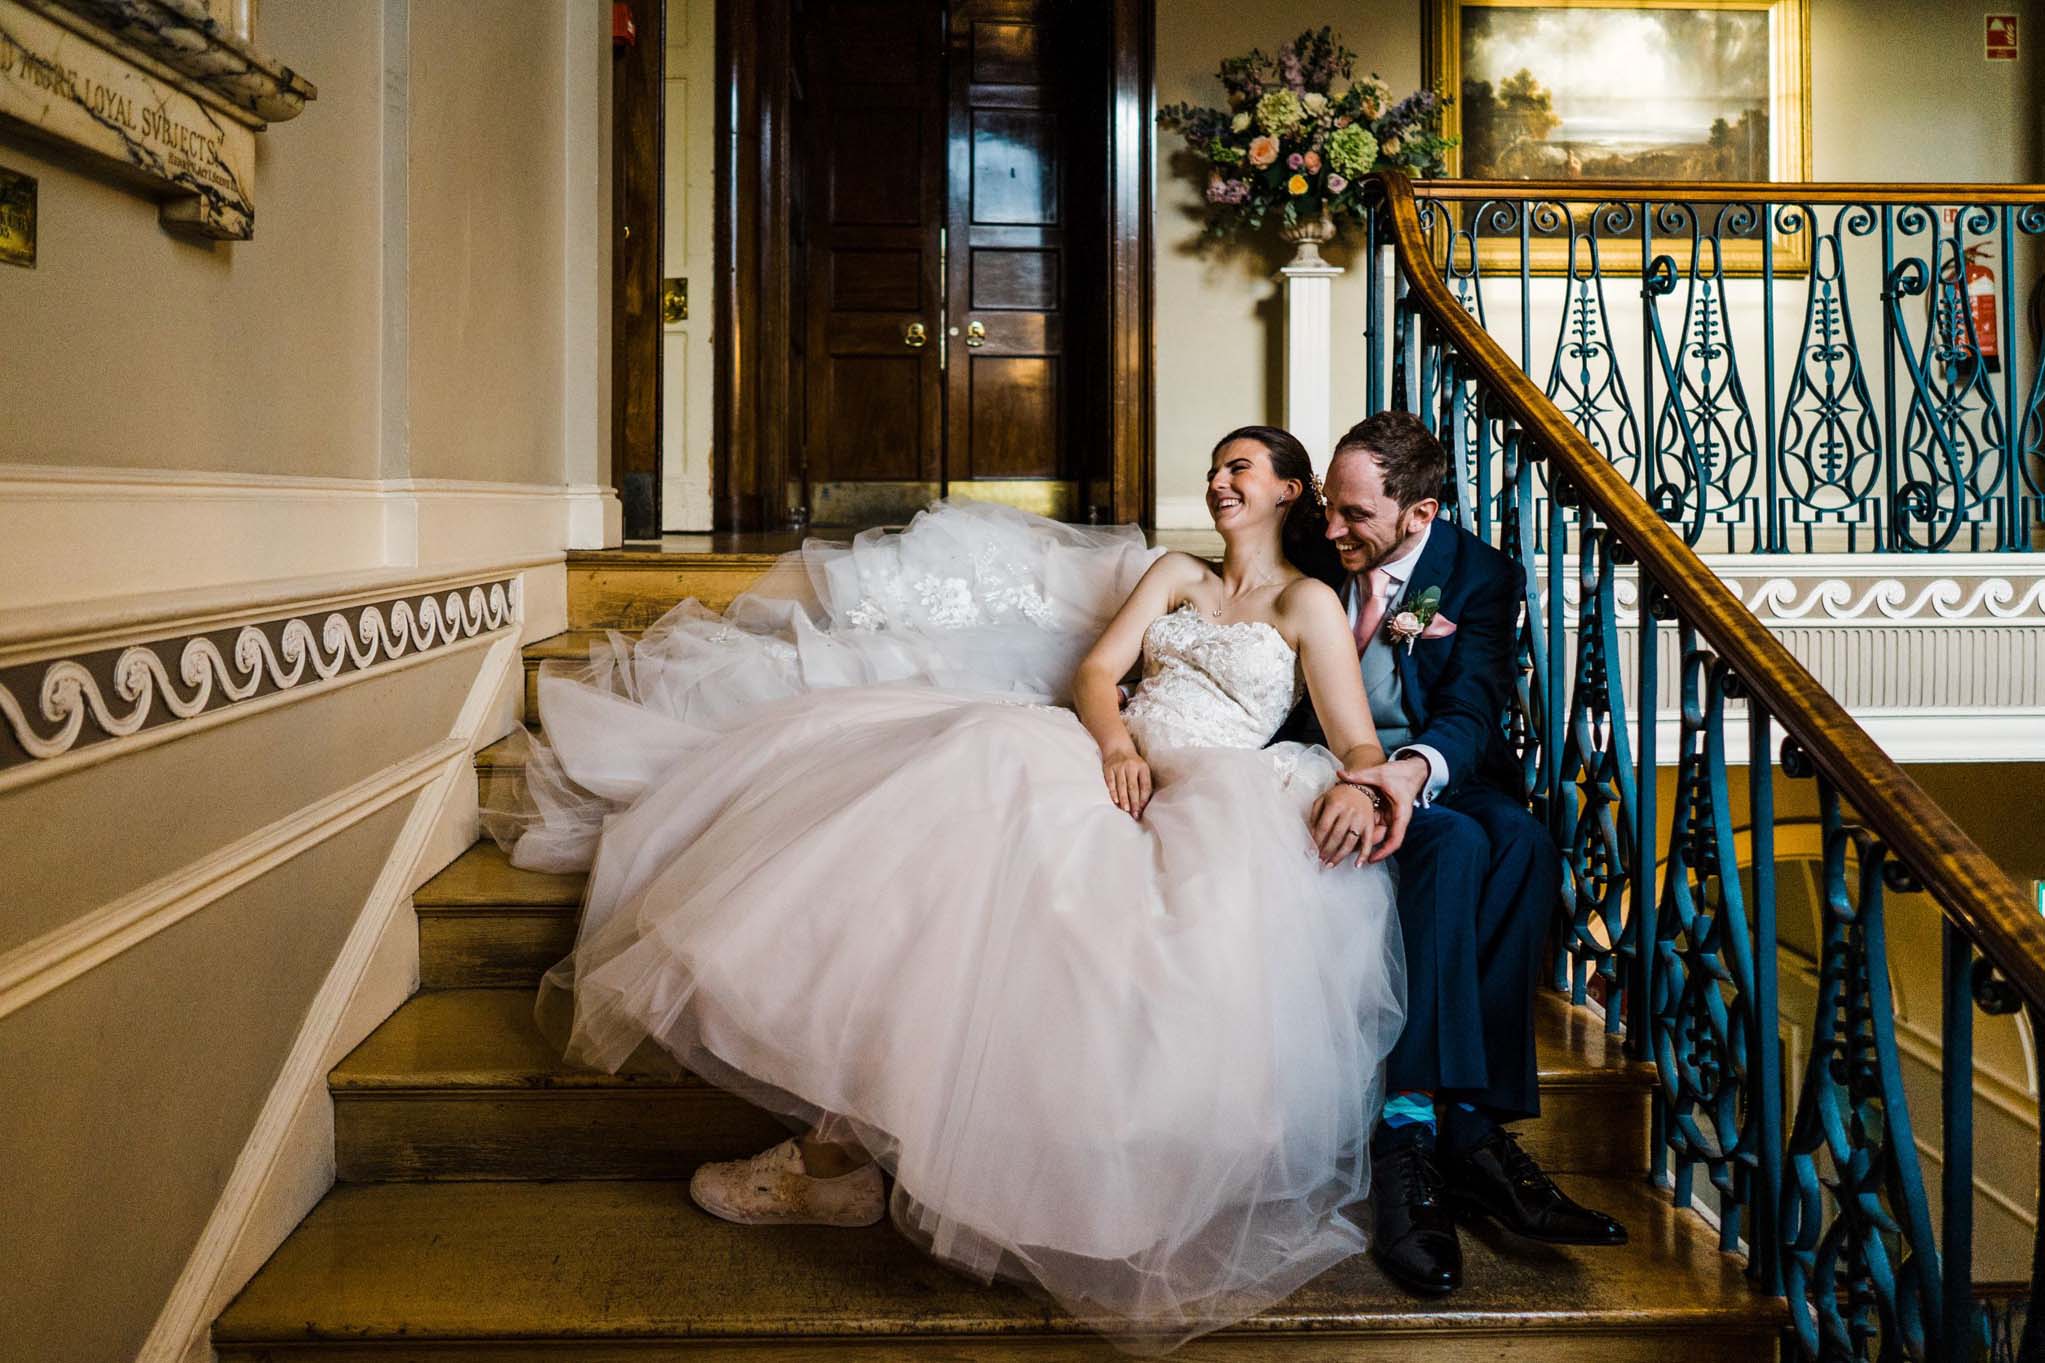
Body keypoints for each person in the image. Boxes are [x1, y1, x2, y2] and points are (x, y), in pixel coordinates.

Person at [504, 426, 1410, 1352]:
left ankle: (894, 1165)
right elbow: (1098, 672)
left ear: (1290, 491)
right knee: (951, 804)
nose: (1218, 480)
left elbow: (1355, 737)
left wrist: (1358, 781)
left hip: (1215, 796)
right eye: (1214, 466)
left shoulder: (1306, 602)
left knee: (1113, 948)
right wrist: (1115, 745)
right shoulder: (1176, 572)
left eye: (1240, 469)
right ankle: (836, 1155)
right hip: (1112, 763)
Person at [1300, 412, 1627, 1299]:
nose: (1333, 529)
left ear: (1420, 513)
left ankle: (1474, 1126)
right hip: (1324, 756)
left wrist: (1408, 772)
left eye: (1355, 515)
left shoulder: (1475, 574)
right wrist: (1368, 777)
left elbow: (1475, 704)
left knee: (1521, 838)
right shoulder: (1316, 545)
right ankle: (1408, 1130)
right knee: (1450, 844)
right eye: (1331, 507)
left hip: (1431, 760)